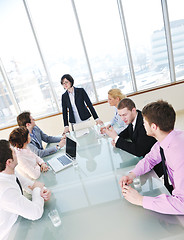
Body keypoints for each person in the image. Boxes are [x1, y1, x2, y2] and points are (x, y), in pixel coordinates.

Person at [120, 100, 184, 215]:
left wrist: (140, 200)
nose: (143, 125)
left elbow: (182, 204)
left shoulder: (179, 154)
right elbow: (150, 159)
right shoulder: (166, 140)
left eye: (144, 122)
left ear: (154, 126)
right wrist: (132, 174)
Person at [0, 140, 51, 240]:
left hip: (20, 219)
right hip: (12, 234)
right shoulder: (5, 190)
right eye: (13, 151)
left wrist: (43, 190)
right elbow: (36, 213)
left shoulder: (9, 172)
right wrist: (38, 188)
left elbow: (29, 184)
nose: (16, 151)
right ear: (9, 162)